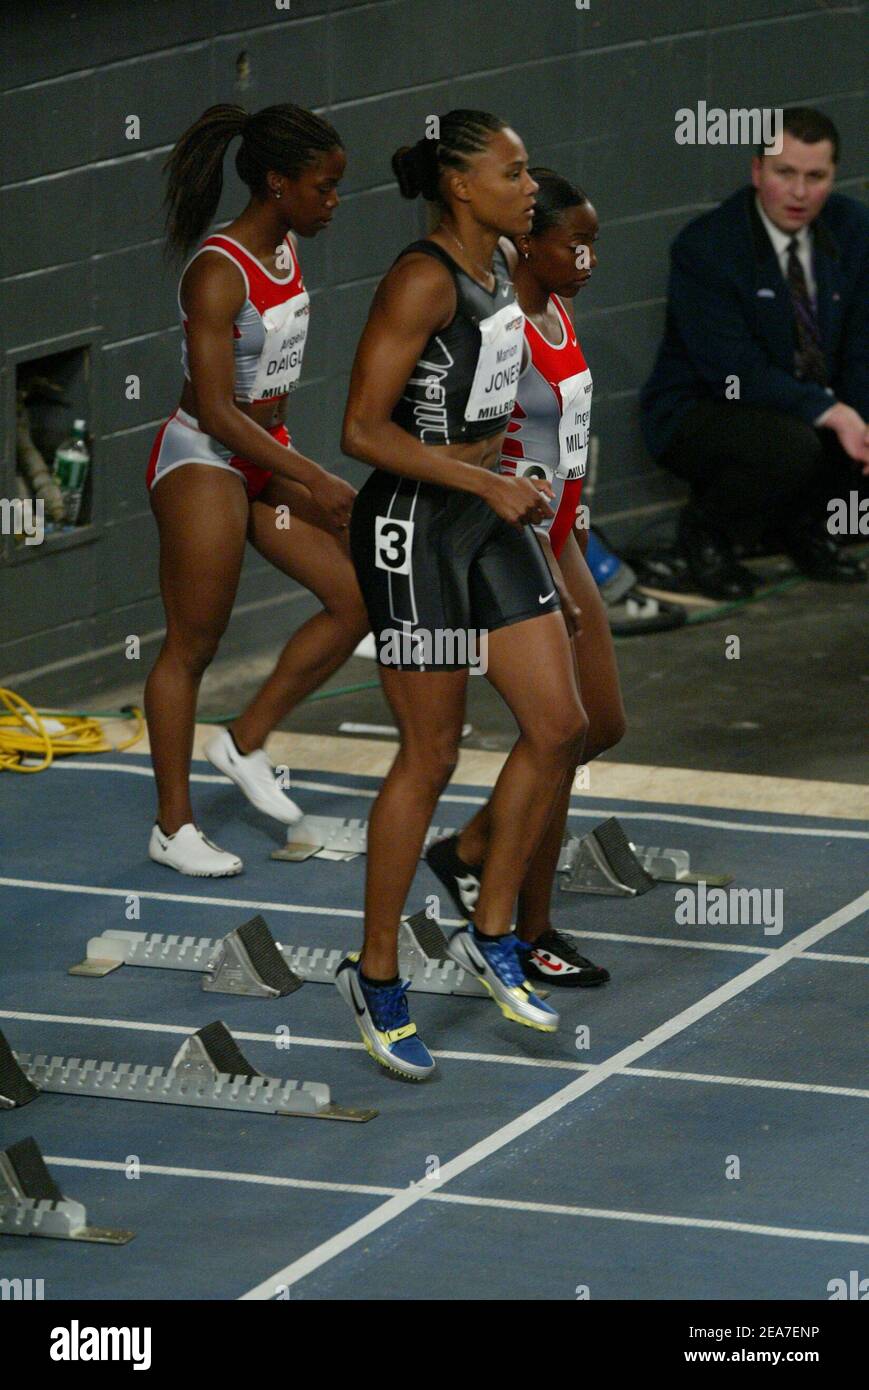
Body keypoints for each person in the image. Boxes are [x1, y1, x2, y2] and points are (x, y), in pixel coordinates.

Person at [337, 111, 592, 1081]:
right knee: (432, 750)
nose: (529, 186)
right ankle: (375, 972)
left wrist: (501, 492)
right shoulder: (422, 279)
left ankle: (490, 928)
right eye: (512, 171)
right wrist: (482, 482)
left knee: (559, 723)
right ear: (459, 185)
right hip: (411, 526)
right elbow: (361, 428)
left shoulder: (496, 273)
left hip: (484, 514)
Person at [145, 103, 367, 877]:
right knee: (192, 644)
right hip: (203, 456)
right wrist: (307, 473)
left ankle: (242, 741)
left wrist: (287, 461)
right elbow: (214, 408)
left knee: (355, 597)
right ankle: (173, 827)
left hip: (262, 455)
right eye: (323, 188)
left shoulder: (286, 250)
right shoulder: (217, 270)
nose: (332, 202)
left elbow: (272, 387)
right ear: (277, 184)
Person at [426, 169, 625, 989]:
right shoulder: (503, 331)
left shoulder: (559, 307)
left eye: (594, 242)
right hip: (519, 548)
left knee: (598, 725)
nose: (586, 257)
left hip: (565, 538)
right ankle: (530, 926)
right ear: (525, 245)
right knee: (562, 734)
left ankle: (472, 847)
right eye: (571, 243)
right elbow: (474, 453)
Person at [641, 107, 869, 599]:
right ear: (757, 171)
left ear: (834, 176)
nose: (800, 193)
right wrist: (831, 411)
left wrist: (860, 416)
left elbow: (861, 344)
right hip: (704, 408)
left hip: (809, 398)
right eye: (785, 173)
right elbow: (731, 369)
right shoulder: (709, 247)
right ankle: (707, 535)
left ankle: (807, 528)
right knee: (792, 444)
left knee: (842, 425)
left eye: (816, 177)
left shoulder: (854, 231)